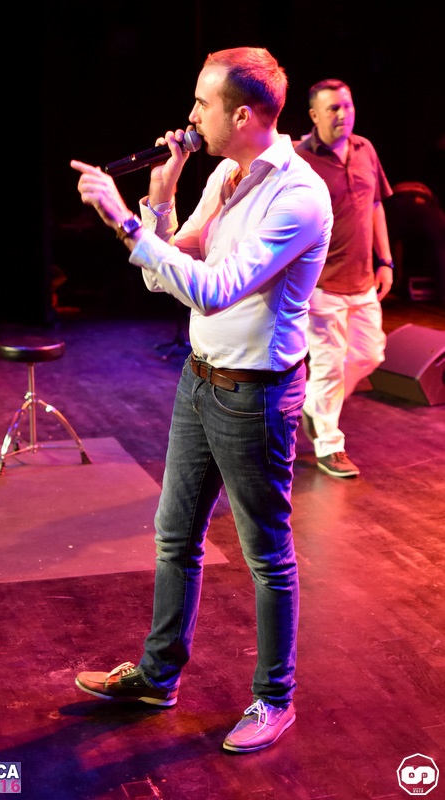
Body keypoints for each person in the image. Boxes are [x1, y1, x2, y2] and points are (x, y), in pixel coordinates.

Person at [70, 46, 332, 753]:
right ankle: (158, 677)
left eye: (200, 103)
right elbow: (164, 274)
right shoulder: (225, 174)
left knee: (266, 554)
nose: (189, 115)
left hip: (257, 396)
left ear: (241, 116)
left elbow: (215, 291)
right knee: (174, 536)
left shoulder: (298, 197)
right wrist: (158, 199)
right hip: (201, 379)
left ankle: (275, 699)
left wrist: (125, 222)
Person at [294, 79, 394, 477]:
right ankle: (329, 445)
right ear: (314, 115)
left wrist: (385, 260)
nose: (343, 114)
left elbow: (376, 205)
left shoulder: (365, 148)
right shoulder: (299, 158)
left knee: (371, 354)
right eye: (333, 108)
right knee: (329, 366)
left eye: (347, 106)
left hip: (363, 279)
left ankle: (312, 405)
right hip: (321, 284)